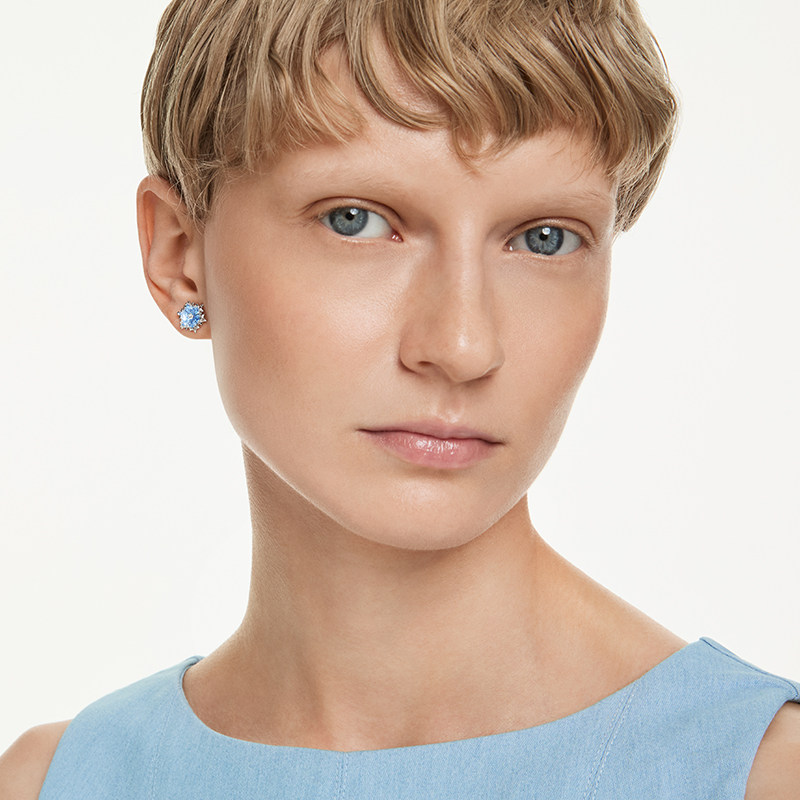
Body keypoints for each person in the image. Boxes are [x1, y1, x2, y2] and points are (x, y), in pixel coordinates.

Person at [1, 0, 798, 797]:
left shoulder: (763, 774)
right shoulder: (55, 783)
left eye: (544, 238)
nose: (463, 345)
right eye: (356, 221)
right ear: (180, 255)